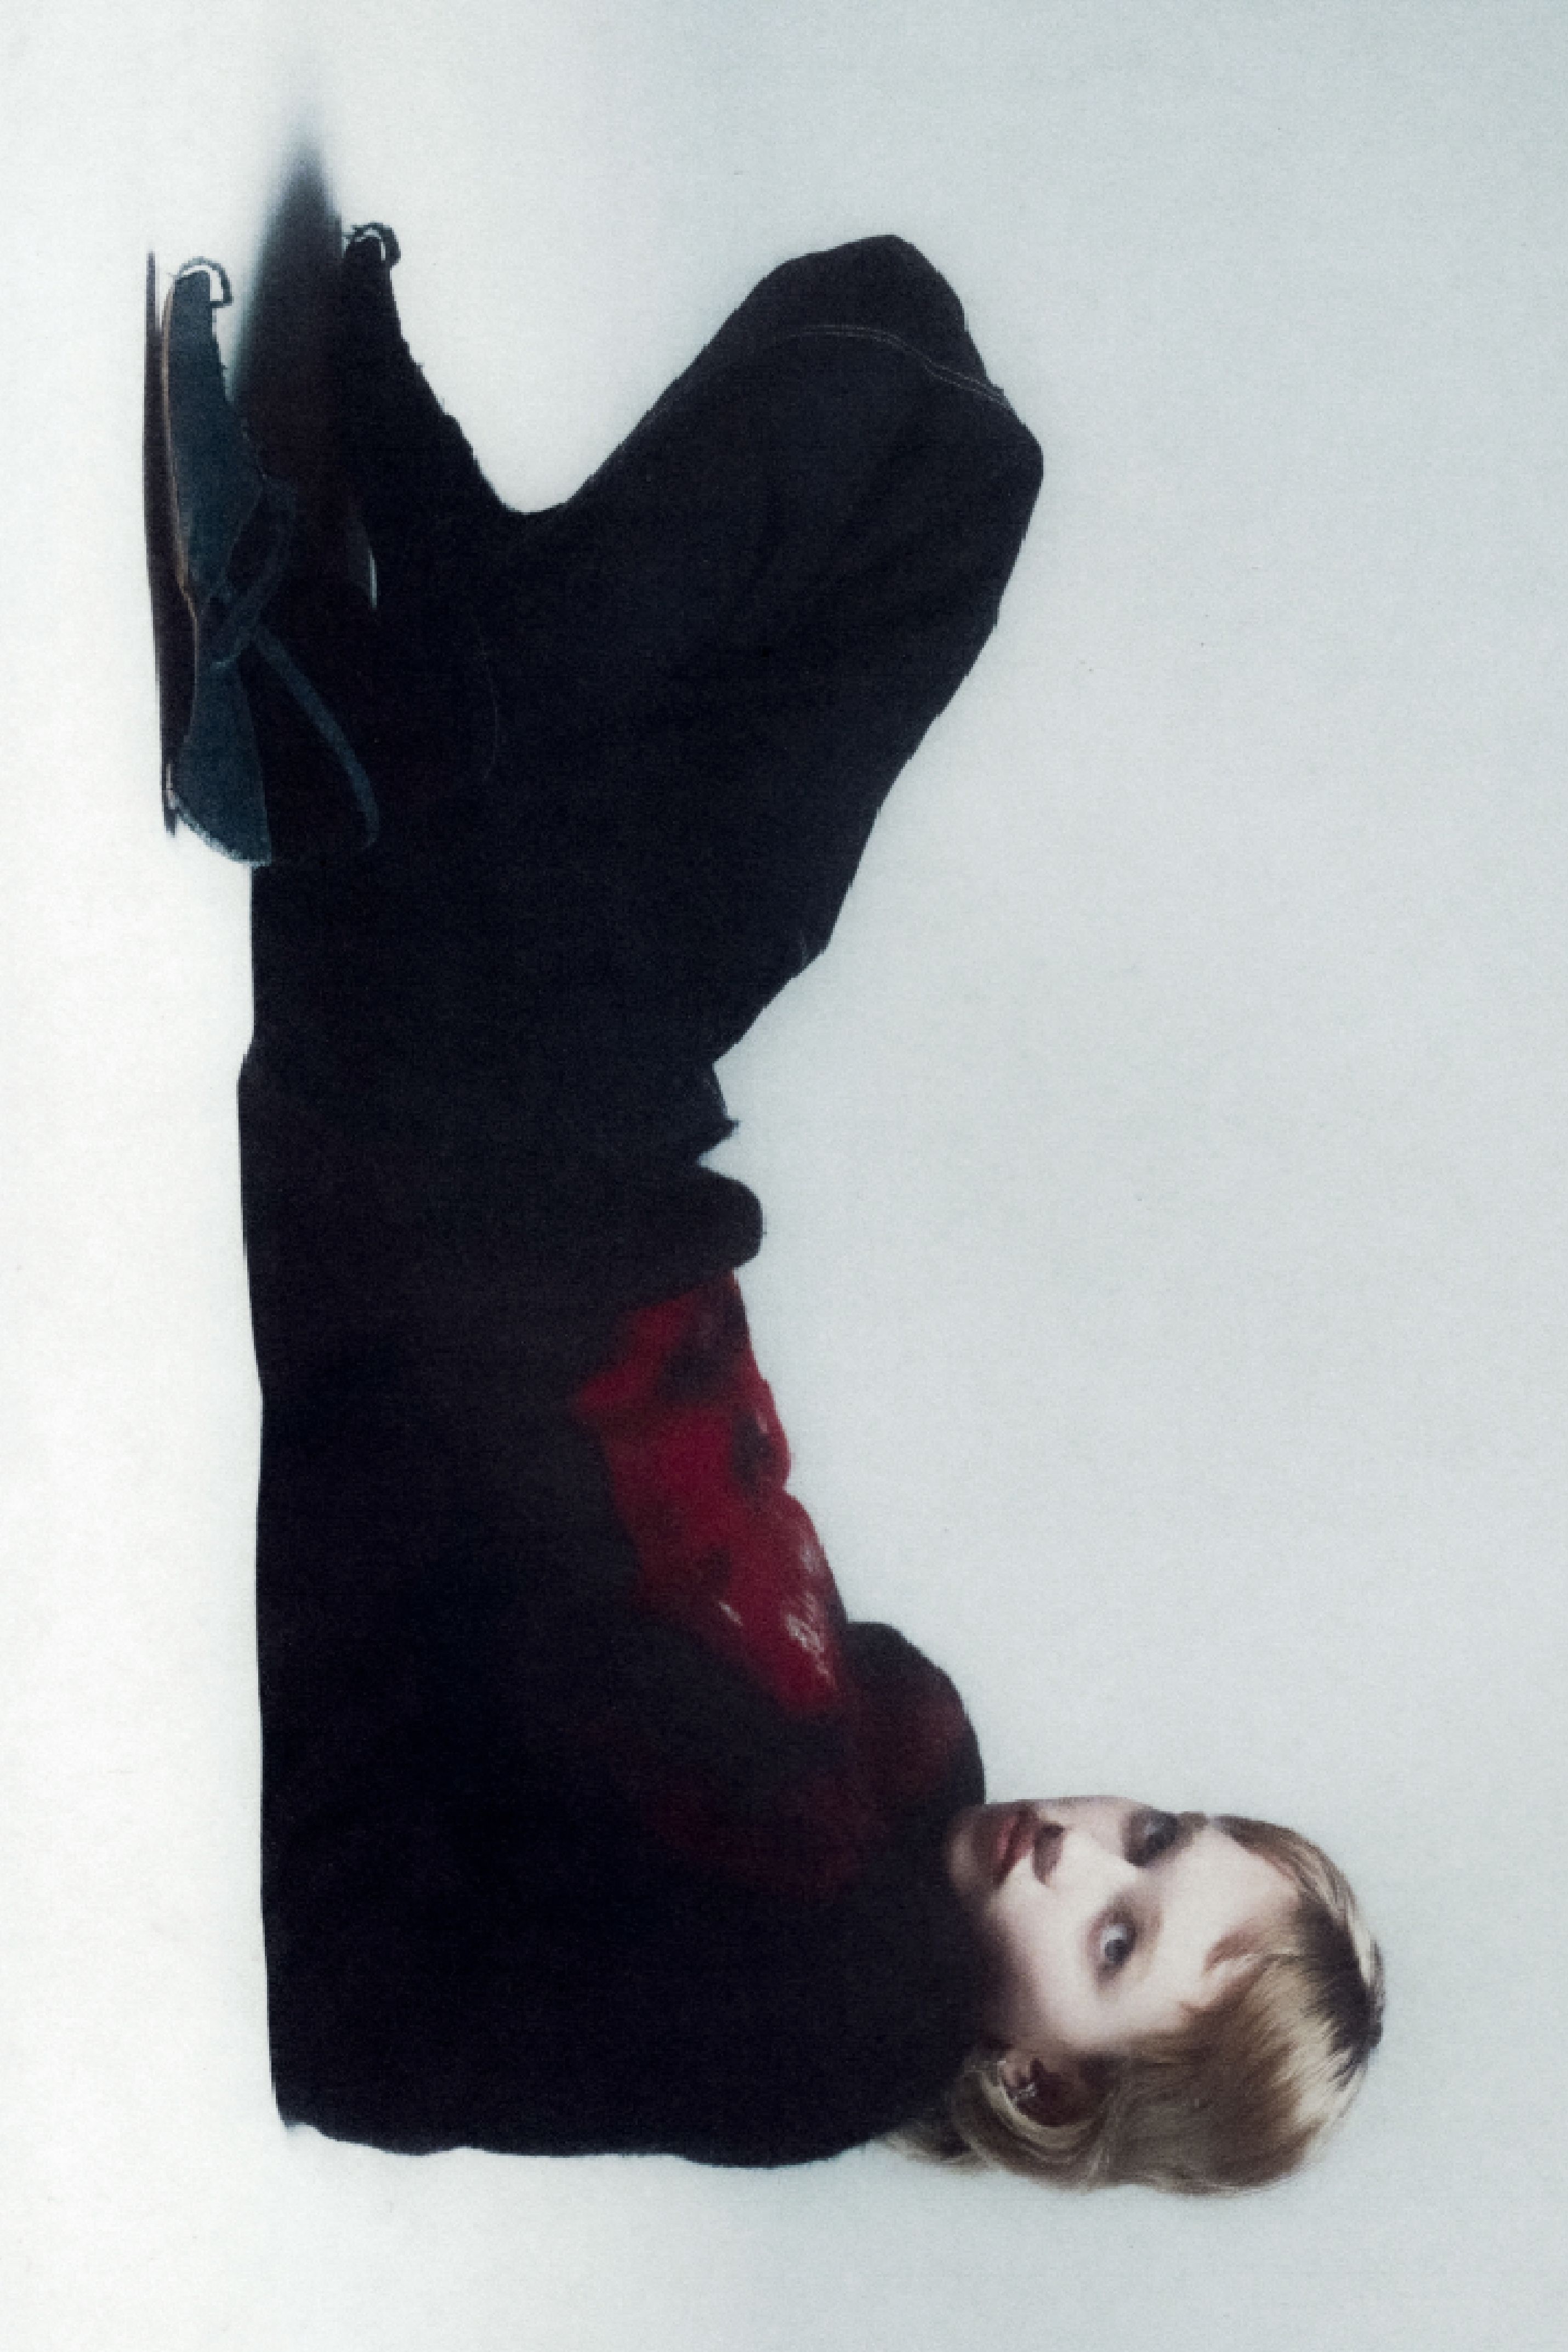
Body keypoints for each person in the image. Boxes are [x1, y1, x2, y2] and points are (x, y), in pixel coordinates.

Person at [146, 212, 1383, 2190]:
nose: (1081, 1852)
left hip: (443, 1175)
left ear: (1045, 2086)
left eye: (1114, 1940)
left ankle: (381, 705)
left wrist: (345, 1514)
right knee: (910, 358)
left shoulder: (843, 2020)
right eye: (1152, 1838)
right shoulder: (904, 1759)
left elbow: (375, 2035)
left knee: (935, 469)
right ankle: (402, 688)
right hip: (586, 1134)